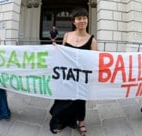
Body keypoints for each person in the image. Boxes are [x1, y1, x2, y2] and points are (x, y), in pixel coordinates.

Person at [49, 8, 97, 136]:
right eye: (78, 18)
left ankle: (81, 122)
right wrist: (56, 49)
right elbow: (62, 55)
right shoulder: (67, 35)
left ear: (87, 21)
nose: (82, 21)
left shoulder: (92, 40)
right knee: (63, 98)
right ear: (74, 22)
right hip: (67, 75)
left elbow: (94, 61)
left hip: (81, 77)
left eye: (84, 18)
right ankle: (62, 119)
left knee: (80, 100)